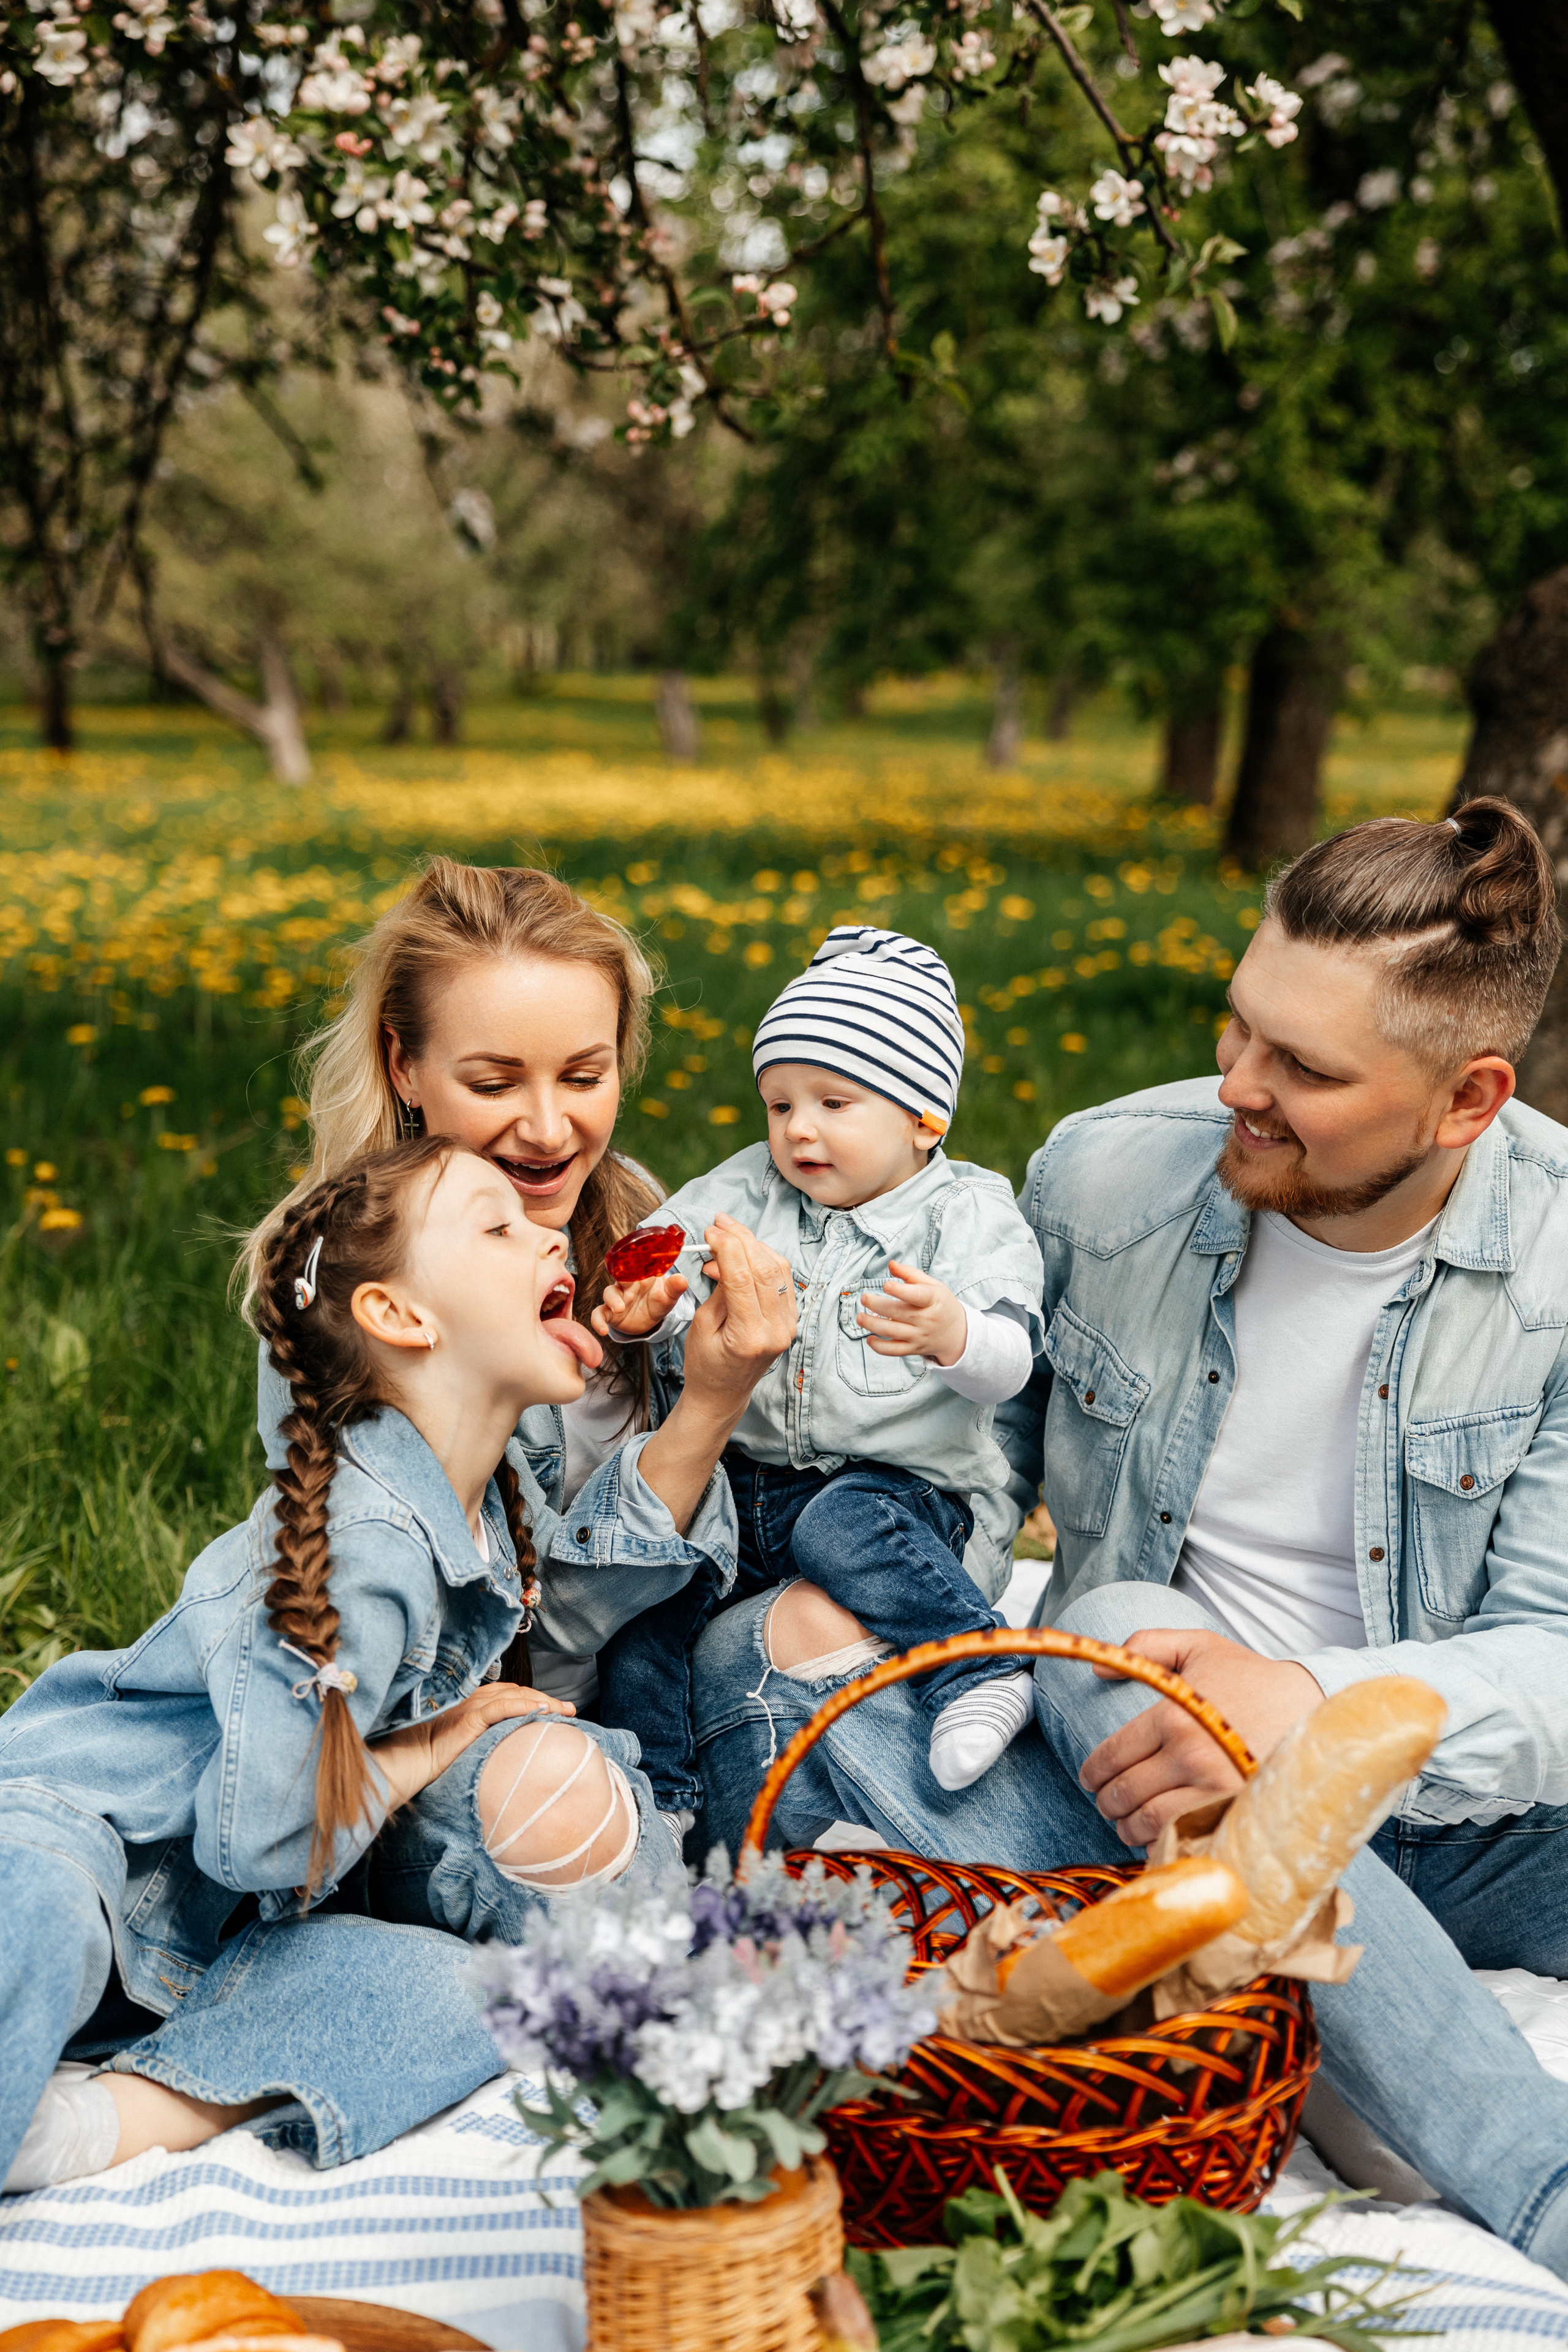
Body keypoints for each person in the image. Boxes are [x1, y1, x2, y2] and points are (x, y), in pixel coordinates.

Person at [692, 798, 1568, 2278]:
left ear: (1466, 1099)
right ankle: (1404, 2072)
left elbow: (1549, 1662)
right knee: (774, 1663)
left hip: (1453, 1814)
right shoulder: (1102, 1177)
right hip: (1121, 1763)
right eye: (1238, 1026)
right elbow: (962, 1483)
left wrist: (1305, 1708)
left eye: (1304, 1068)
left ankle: (1315, 2021)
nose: (1236, 1084)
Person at [0, 1135, 682, 2196]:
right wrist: (436, 1745)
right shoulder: (364, 1544)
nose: (554, 1231)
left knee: (477, 1996)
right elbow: (263, 1831)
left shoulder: (492, 1502)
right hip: (78, 1845)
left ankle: (85, 2123)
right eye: (499, 1228)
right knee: (29, 1910)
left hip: (198, 1941)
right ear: (402, 1319)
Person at [241, 856, 796, 1716]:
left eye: (584, 1077)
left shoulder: (630, 1214)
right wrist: (711, 1407)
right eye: (494, 1084)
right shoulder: (356, 1294)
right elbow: (526, 1628)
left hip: (669, 1691)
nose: (547, 1130)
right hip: (483, 1735)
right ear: (404, 1066)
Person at [595, 925, 1047, 1817]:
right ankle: (664, 1804)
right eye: (779, 1103)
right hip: (744, 1481)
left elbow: (1010, 1369)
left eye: (834, 1103)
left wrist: (954, 1334)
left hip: (890, 1490)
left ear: (925, 1118)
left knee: (841, 1529)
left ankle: (978, 1669)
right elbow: (677, 1273)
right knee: (648, 1605)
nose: (798, 1129)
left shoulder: (966, 1217)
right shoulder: (751, 1189)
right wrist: (658, 1311)